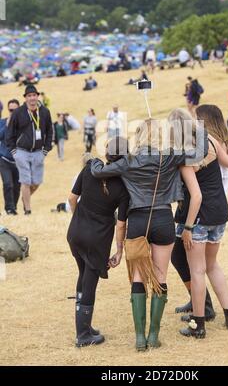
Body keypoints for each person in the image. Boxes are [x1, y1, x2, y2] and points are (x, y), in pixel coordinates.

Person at [91, 118, 208, 351]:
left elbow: (99, 172)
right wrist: (197, 126)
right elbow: (201, 151)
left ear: (139, 136)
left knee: (137, 278)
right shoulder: (170, 156)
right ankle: (153, 336)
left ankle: (139, 339)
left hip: (137, 221)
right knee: (160, 275)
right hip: (163, 218)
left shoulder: (129, 160)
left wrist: (94, 163)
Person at [174, 125, 228, 339]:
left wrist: (188, 228)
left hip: (200, 217)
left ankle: (198, 325)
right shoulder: (209, 140)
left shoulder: (185, 157)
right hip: (220, 212)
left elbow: (196, 196)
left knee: (198, 271)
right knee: (212, 265)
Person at [67, 140, 130, 348]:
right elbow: (121, 225)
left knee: (82, 274)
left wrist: (78, 219)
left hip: (75, 233)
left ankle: (84, 325)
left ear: (107, 153)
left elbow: (71, 198)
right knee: (90, 281)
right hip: (97, 239)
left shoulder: (89, 169)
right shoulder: (122, 187)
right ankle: (83, 334)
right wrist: (119, 250)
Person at [6, 85, 53, 215]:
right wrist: (14, 151)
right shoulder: (18, 113)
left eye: (34, 95)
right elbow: (9, 133)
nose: (32, 98)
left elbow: (50, 131)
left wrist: (46, 149)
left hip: (39, 151)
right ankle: (28, 210)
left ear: (37, 96)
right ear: (25, 98)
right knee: (25, 180)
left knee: (37, 181)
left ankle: (25, 197)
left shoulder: (44, 112)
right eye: (29, 96)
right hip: (22, 151)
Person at [0, 99, 21, 215]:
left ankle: (14, 207)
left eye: (15, 110)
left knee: (17, 187)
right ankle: (9, 209)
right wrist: (7, 126)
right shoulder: (3, 122)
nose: (12, 112)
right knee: (8, 184)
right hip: (4, 159)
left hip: (18, 161)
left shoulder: (23, 124)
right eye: (10, 110)